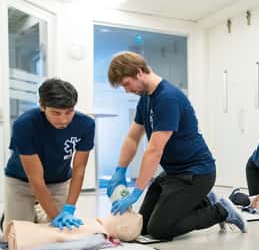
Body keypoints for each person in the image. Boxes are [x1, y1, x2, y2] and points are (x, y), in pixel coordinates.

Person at [106, 51, 246, 239]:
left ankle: (221, 210)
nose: (127, 90)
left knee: (159, 230)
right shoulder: (146, 98)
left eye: (126, 84)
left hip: (196, 173)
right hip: (173, 173)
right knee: (144, 227)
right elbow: (133, 137)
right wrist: (120, 170)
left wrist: (136, 192)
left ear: (139, 72)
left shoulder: (167, 98)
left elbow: (154, 151)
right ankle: (202, 201)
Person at [3, 78, 94, 230]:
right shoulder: (24, 125)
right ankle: (19, 215)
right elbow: (35, 178)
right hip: (21, 181)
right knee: (18, 233)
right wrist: (55, 216)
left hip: (59, 181)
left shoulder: (86, 124)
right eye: (56, 113)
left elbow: (79, 169)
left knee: (60, 232)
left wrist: (69, 208)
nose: (64, 119)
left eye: (69, 112)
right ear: (42, 106)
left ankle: (39, 212)